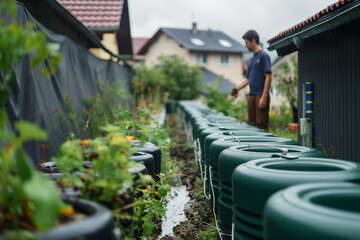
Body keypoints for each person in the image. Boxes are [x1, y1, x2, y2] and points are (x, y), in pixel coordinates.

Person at [232, 30, 272, 130]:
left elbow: (268, 76)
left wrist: (264, 97)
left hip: (260, 95)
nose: (245, 45)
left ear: (253, 41)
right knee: (251, 125)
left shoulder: (264, 56)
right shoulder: (250, 60)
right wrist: (236, 89)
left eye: (246, 42)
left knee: (260, 125)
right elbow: (247, 79)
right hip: (251, 95)